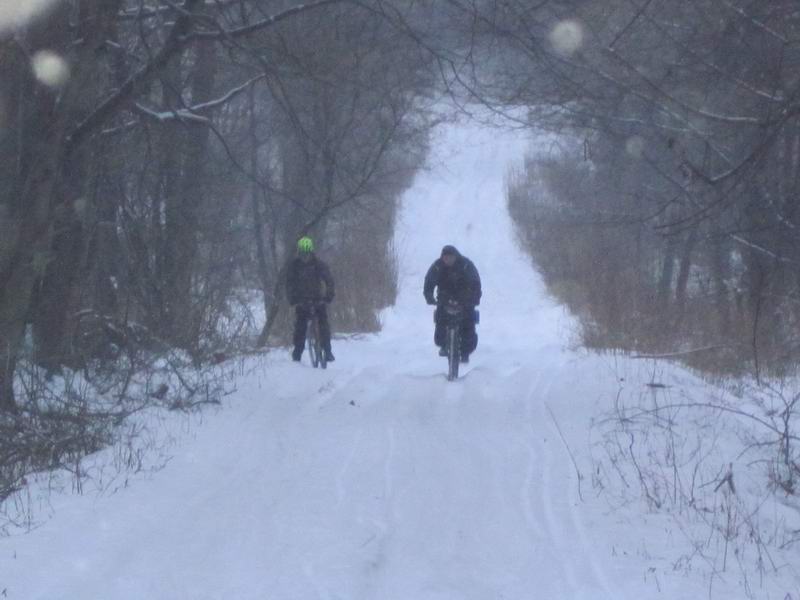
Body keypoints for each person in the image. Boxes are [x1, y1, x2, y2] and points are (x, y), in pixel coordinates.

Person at [423, 245, 482, 362]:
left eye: (450, 257)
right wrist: (429, 296)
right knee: (440, 318)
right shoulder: (437, 266)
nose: (448, 260)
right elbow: (429, 281)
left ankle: (465, 352)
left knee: (469, 322)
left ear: (456, 256)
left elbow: (476, 282)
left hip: (464, 298)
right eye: (445, 258)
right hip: (445, 298)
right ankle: (443, 344)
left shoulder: (466, 265)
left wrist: (474, 298)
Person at [286, 236, 335, 362]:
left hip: (318, 299)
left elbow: (329, 279)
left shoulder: (319, 265)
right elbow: (289, 284)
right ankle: (297, 353)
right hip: (301, 301)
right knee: (300, 327)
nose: (304, 257)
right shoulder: (294, 266)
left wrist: (329, 295)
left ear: (311, 252)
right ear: (299, 253)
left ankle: (327, 351)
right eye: (302, 254)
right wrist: (292, 298)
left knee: (323, 323)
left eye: (306, 254)